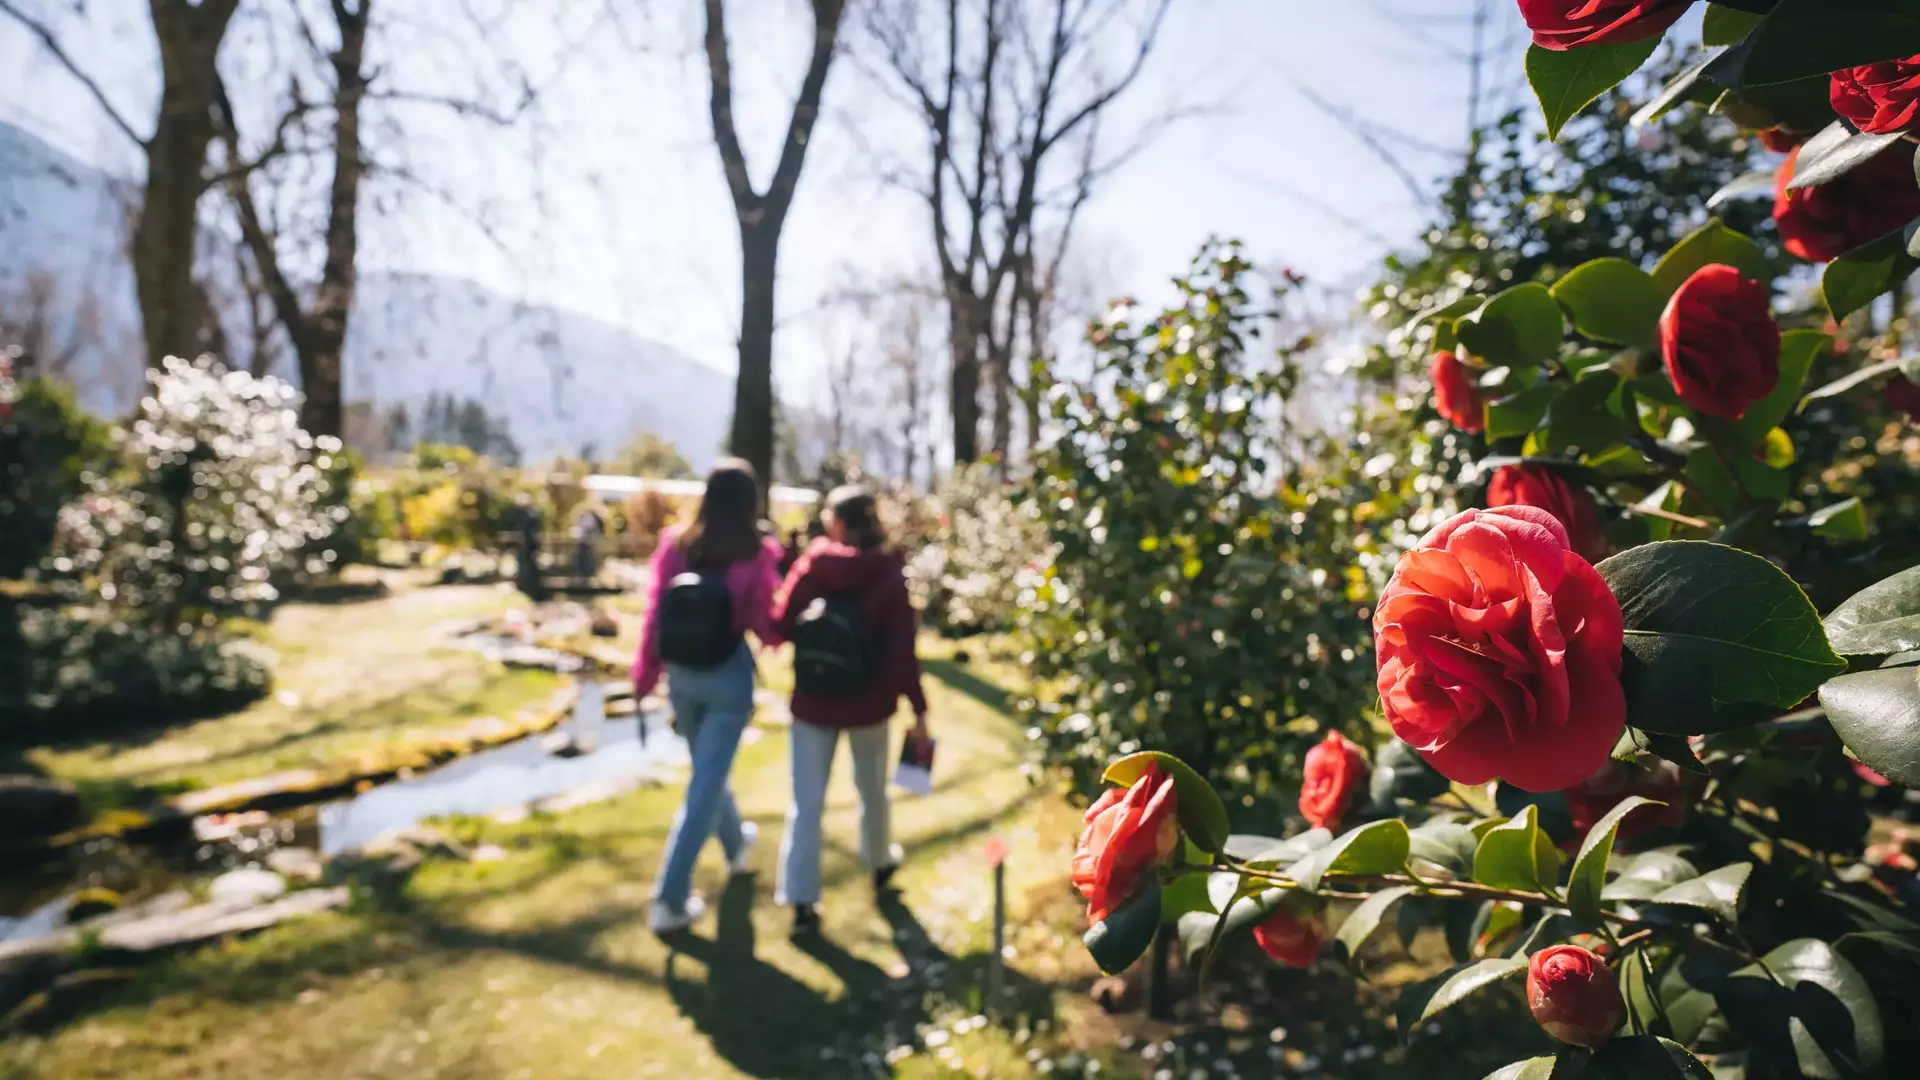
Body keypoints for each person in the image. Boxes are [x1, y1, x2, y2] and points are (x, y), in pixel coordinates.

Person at [633, 458, 785, 933]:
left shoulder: (676, 546)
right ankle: (669, 899)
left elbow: (655, 613)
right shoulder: (755, 552)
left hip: (681, 677)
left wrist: (643, 675)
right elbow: (766, 624)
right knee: (705, 783)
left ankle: (737, 846)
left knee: (707, 772)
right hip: (727, 678)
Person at [772, 485, 929, 935]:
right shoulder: (889, 573)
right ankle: (879, 863)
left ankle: (802, 900)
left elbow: (781, 624)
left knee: (806, 804)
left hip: (813, 703)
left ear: (839, 523)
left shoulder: (815, 565)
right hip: (870, 704)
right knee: (872, 792)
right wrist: (918, 709)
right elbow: (902, 651)